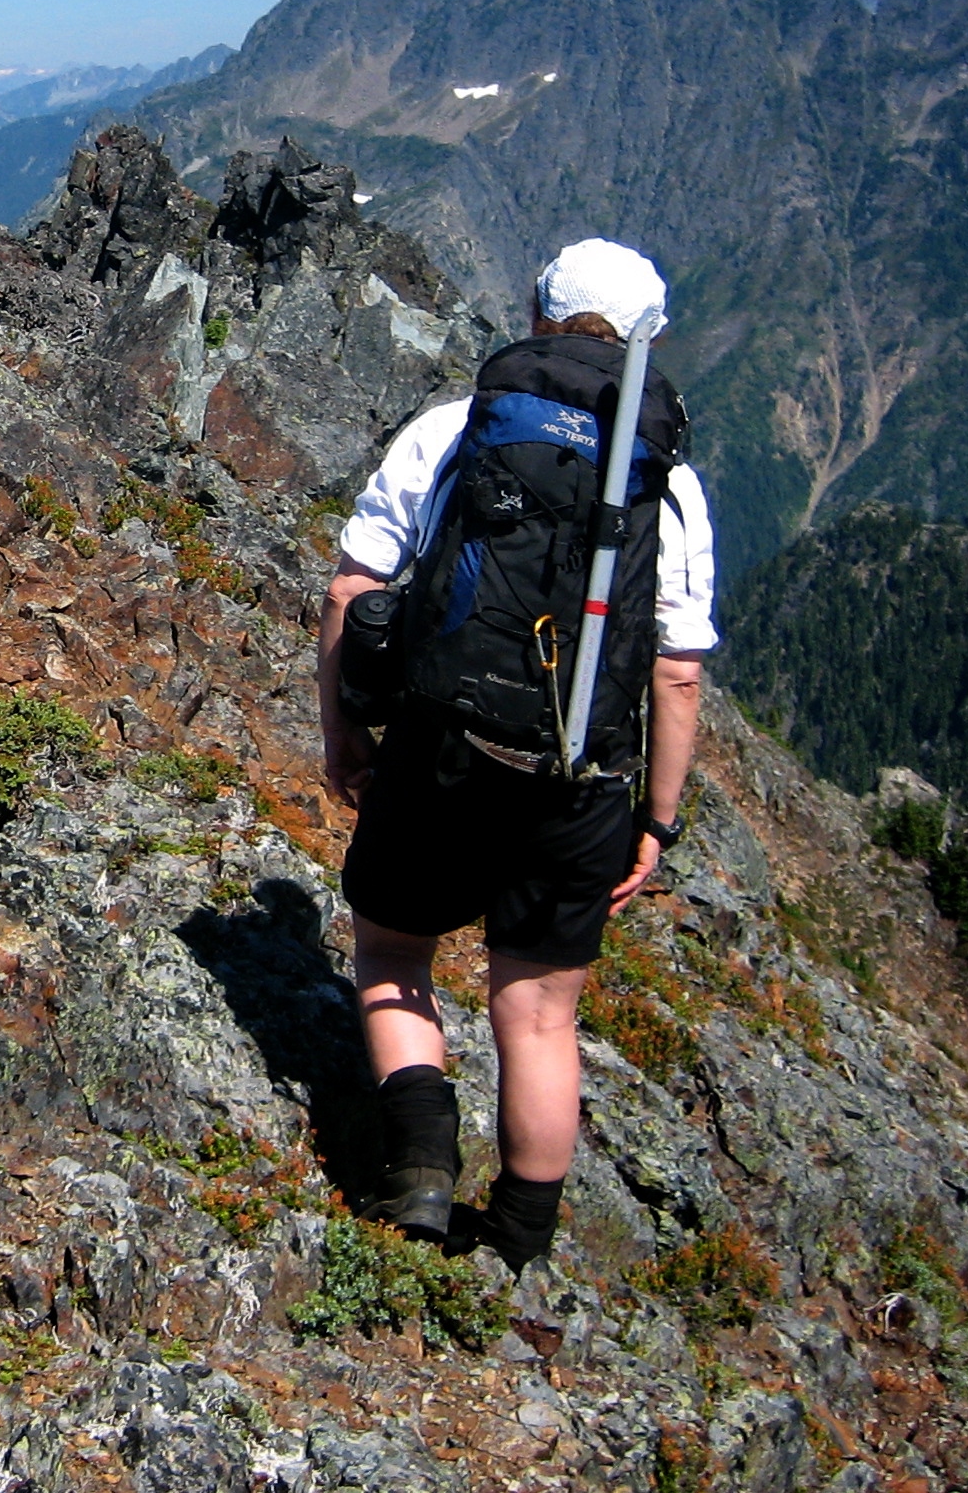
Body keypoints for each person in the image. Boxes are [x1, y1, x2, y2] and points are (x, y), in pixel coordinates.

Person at [315, 238, 717, 1269]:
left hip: (444, 748)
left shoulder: (459, 431)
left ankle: (418, 1160)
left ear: (537, 314)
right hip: (581, 782)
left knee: (395, 950)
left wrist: (346, 732)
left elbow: (351, 592)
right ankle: (516, 1247)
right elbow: (676, 672)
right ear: (646, 342)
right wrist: (656, 822)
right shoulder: (666, 484)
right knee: (538, 1018)